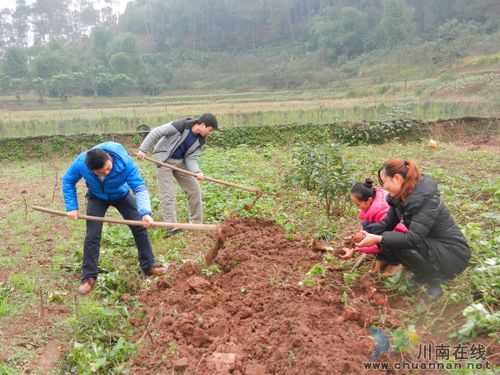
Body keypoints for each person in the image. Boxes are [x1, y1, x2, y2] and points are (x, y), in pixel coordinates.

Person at [355, 159, 471, 300]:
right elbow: (386, 224)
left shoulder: (425, 200)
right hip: (432, 243)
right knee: (388, 239)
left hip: (452, 253)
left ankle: (437, 282)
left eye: (384, 181)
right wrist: (362, 234)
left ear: (397, 178)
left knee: (392, 240)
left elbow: (412, 238)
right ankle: (423, 272)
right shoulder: (401, 197)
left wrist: (379, 238)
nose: (384, 186)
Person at [62, 141, 166, 295]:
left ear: (109, 158)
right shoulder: (81, 163)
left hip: (121, 194)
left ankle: (149, 266)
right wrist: (72, 208)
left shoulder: (124, 162)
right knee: (92, 235)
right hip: (97, 197)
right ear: (90, 169)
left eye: (108, 169)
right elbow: (68, 180)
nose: (106, 174)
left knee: (140, 226)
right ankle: (89, 277)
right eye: (100, 173)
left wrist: (145, 213)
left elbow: (138, 187)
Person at [137, 113, 218, 235]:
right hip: (164, 160)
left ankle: (196, 223)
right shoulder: (180, 126)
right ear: (202, 125)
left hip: (181, 163)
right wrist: (143, 149)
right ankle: (171, 227)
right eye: (210, 130)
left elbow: (191, 158)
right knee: (168, 194)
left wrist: (197, 171)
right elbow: (155, 132)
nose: (209, 133)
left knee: (194, 189)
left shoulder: (200, 140)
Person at [341, 179, 407, 277]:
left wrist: (357, 249)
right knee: (367, 225)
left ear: (369, 200)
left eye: (358, 204)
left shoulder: (383, 211)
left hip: (403, 238)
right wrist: (355, 240)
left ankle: (396, 264)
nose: (357, 207)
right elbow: (367, 229)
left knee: (380, 235)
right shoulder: (374, 201)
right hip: (389, 232)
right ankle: (382, 258)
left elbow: (385, 239)